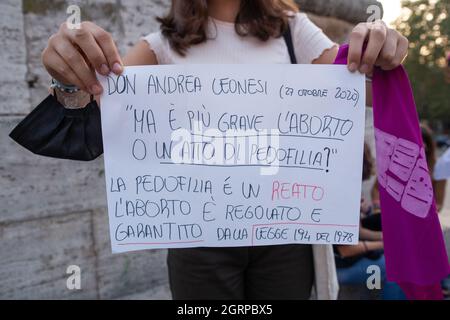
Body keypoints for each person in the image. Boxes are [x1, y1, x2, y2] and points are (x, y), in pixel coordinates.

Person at [40, 0, 409, 299]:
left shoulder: (293, 29)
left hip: (282, 234)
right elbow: (88, 117)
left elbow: (369, 92)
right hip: (199, 241)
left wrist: (384, 52)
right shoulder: (160, 45)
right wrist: (68, 75)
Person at [334, 143, 405, 300]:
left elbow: (358, 232)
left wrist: (387, 237)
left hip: (341, 263)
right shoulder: (342, 192)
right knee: (398, 265)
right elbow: (346, 250)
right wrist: (385, 243)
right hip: (340, 268)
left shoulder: (343, 185)